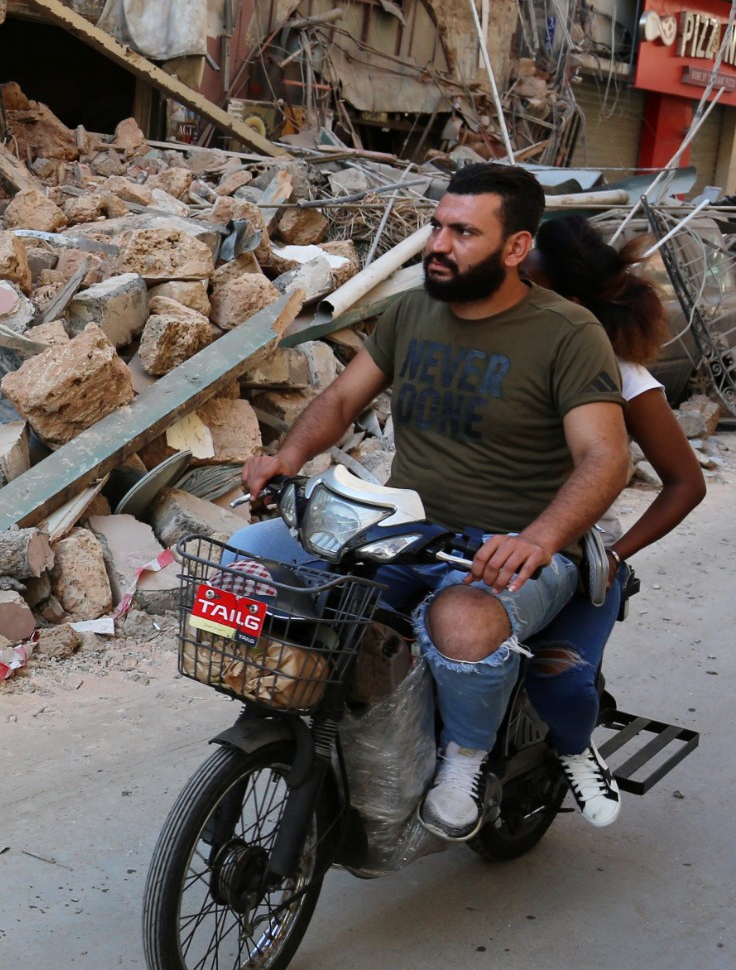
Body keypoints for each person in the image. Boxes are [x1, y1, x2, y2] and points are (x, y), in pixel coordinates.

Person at [242, 162, 630, 841]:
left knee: (463, 622)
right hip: (408, 528)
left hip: (518, 547)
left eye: (462, 232)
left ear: (516, 248)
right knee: (246, 557)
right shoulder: (412, 312)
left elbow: (605, 457)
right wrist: (287, 457)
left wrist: (537, 538)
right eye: (436, 226)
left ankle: (465, 760)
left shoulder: (568, 333)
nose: (438, 245)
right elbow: (339, 399)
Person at [517, 215, 706, 826]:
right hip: (468, 540)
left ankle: (575, 747)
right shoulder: (491, 343)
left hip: (569, 559)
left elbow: (686, 482)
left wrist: (616, 555)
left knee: (562, 683)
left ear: (570, 301)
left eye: (531, 282)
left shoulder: (621, 377)